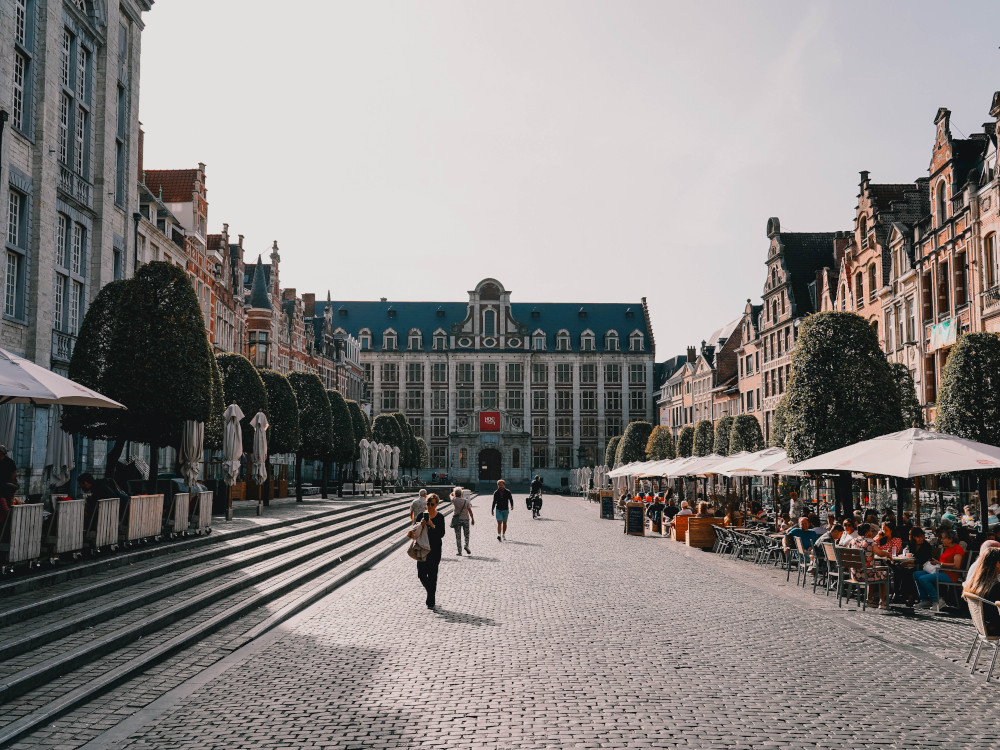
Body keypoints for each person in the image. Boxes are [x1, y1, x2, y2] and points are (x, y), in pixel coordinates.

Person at [913, 527, 964, 612]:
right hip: (941, 571)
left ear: (950, 539)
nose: (941, 540)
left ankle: (937, 600)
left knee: (923, 578)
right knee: (916, 574)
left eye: (943, 538)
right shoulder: (947, 548)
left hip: (950, 575)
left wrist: (940, 564)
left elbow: (956, 565)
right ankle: (925, 600)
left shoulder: (957, 549)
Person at [846, 523, 891, 608]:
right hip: (866, 574)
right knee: (884, 573)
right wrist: (888, 554)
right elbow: (880, 553)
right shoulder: (870, 542)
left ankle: (869, 600)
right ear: (867, 532)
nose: (871, 532)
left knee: (873, 571)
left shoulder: (853, 541)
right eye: (870, 530)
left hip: (855, 574)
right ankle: (882, 602)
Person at [415, 494, 446, 609]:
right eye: (428, 503)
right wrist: (420, 525)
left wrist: (432, 525)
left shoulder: (440, 517)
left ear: (436, 504)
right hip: (422, 548)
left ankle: (431, 599)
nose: (429, 506)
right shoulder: (420, 516)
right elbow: (414, 532)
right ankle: (431, 592)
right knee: (421, 574)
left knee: (432, 575)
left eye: (432, 504)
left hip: (435, 549)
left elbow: (441, 534)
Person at [963, 548, 1000, 636]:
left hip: (983, 626)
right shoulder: (995, 587)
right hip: (995, 627)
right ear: (997, 564)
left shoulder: (976, 583)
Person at [451, 487, 474, 556]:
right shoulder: (466, 501)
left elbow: (450, 495)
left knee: (458, 536)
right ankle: (466, 545)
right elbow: (470, 511)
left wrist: (454, 491)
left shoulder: (454, 500)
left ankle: (459, 551)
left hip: (457, 520)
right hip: (466, 519)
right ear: (461, 494)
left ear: (455, 494)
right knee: (466, 534)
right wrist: (472, 518)